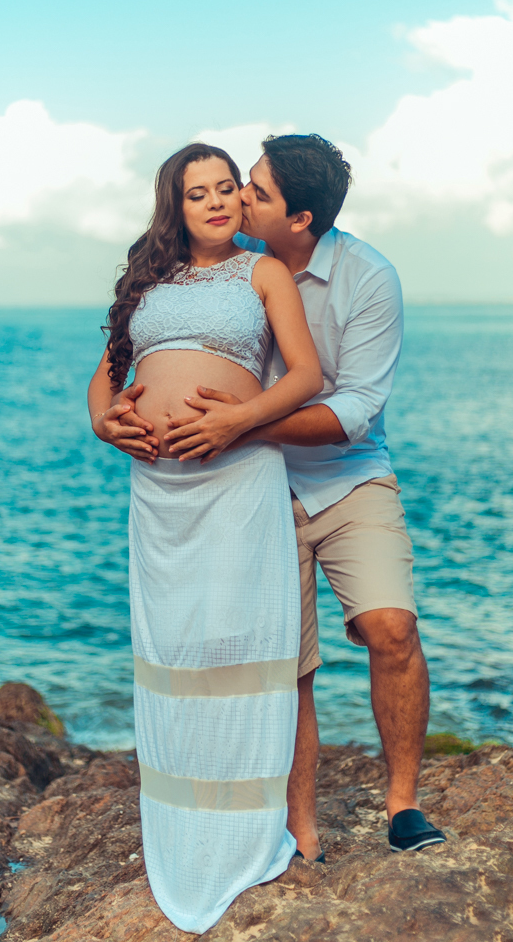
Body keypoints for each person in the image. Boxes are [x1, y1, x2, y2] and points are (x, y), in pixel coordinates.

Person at [157, 134, 447, 858]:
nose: (238, 197)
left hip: (349, 476)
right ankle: (300, 830)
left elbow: (357, 409)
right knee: (287, 667)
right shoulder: (231, 262)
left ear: (301, 218)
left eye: (255, 191)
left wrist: (242, 425)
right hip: (252, 487)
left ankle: (403, 805)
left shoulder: (369, 278)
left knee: (392, 628)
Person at [87, 142, 323, 934]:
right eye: (199, 193)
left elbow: (305, 377)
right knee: (179, 652)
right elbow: (107, 375)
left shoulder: (264, 273)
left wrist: (235, 421)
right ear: (176, 206)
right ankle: (186, 829)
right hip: (160, 493)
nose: (218, 202)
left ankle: (245, 834)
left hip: (237, 476)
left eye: (227, 188)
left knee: (236, 644)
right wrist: (104, 421)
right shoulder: (148, 280)